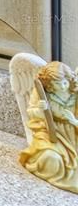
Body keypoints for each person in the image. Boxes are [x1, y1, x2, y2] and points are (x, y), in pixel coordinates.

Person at [19, 62, 78, 193]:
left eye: (65, 83)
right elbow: (31, 113)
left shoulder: (75, 93)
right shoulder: (42, 93)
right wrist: (41, 110)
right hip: (49, 132)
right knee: (51, 158)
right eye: (58, 84)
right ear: (49, 84)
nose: (63, 87)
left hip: (73, 135)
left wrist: (73, 121)